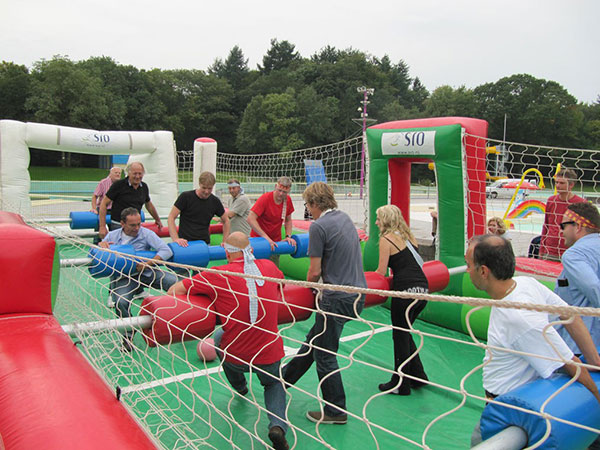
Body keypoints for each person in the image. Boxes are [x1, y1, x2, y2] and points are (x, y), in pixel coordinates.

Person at [466, 235, 600, 445]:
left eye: (468, 265)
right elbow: (569, 315)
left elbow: (570, 363)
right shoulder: (524, 283)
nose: (466, 271)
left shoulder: (519, 317)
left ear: (483, 271)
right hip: (504, 397)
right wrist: (595, 359)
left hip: (508, 408)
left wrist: (597, 400)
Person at [167, 232, 289, 450]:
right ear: (251, 250)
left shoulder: (217, 274)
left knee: (220, 338)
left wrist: (208, 299)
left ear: (226, 252)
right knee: (273, 383)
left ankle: (240, 387)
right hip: (269, 352)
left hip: (236, 354)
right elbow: (281, 284)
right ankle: (277, 425)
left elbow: (174, 290)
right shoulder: (268, 267)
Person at [282, 182, 367, 425]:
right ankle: (284, 380)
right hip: (357, 294)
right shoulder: (345, 219)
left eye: (308, 204)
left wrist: (308, 287)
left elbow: (314, 271)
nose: (308, 209)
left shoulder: (318, 227)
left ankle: (336, 410)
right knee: (314, 341)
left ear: (315, 204)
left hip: (335, 298)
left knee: (325, 354)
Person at [100, 207, 177, 351]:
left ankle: (183, 322)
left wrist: (148, 263)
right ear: (122, 224)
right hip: (125, 277)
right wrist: (101, 245)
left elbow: (166, 250)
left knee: (175, 282)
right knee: (120, 301)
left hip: (147, 272)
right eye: (132, 225)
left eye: (139, 224)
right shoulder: (112, 236)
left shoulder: (146, 233)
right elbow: (99, 250)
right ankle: (128, 336)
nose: (137, 228)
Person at [374, 204, 429, 395]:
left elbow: (381, 272)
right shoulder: (409, 237)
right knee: (405, 333)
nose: (376, 222)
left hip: (404, 292)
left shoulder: (386, 239)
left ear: (386, 220)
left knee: (399, 335)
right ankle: (418, 375)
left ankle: (400, 383)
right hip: (423, 291)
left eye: (379, 219)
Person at [556, 202, 600, 354]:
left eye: (563, 226)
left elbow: (594, 288)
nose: (561, 231)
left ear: (578, 226)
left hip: (579, 347)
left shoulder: (574, 255)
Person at [98, 162, 163, 240]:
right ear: (128, 173)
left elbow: (148, 204)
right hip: (119, 226)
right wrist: (102, 226)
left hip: (135, 227)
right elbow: (104, 203)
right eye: (135, 174)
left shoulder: (144, 187)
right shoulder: (118, 185)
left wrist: (157, 219)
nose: (137, 176)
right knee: (117, 250)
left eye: (140, 174)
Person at [168, 172, 230, 247]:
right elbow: (171, 217)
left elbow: (226, 220)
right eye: (204, 188)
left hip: (204, 243)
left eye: (209, 188)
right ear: (199, 184)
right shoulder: (185, 197)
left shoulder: (215, 201)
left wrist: (225, 241)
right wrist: (175, 239)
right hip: (185, 244)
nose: (206, 191)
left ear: (213, 186)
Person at [247, 176, 296, 266]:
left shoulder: (287, 200)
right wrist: (265, 237)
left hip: (275, 243)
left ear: (288, 191)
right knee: (256, 270)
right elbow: (250, 218)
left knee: (272, 271)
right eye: (279, 190)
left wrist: (288, 236)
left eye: (284, 192)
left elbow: (288, 220)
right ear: (275, 187)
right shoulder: (265, 198)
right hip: (258, 242)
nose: (281, 194)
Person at [540, 168, 586, 261]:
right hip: (550, 251)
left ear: (571, 185)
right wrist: (542, 249)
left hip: (571, 252)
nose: (557, 185)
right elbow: (546, 225)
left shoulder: (581, 203)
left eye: (561, 183)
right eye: (556, 182)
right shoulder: (551, 200)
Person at [90, 167, 122, 244]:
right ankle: (96, 246)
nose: (117, 174)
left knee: (115, 233)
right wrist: (94, 208)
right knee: (99, 232)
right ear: (110, 174)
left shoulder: (121, 184)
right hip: (102, 209)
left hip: (115, 210)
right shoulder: (103, 183)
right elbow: (95, 196)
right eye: (116, 172)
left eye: (119, 173)